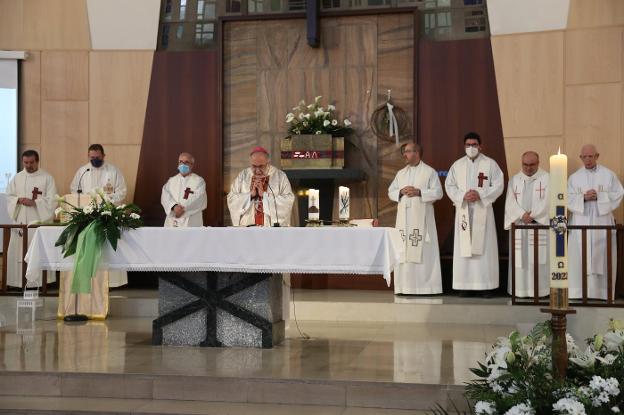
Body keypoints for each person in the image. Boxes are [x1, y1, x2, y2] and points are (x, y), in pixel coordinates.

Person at [60, 144, 128, 318]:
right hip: (88, 217)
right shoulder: (83, 171)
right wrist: (88, 200)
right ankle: (89, 280)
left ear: (104, 155)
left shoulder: (113, 171)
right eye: (92, 157)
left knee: (106, 250)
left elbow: (122, 191)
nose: (95, 160)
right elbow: (74, 190)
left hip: (107, 215)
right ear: (88, 156)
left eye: (98, 157)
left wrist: (107, 199)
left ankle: (110, 283)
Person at [444, 132, 504, 297]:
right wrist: (463, 195)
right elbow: (449, 185)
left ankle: (485, 286)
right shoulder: (457, 165)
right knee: (464, 247)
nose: (471, 148)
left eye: (474, 144)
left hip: (482, 210)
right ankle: (465, 285)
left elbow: (498, 185)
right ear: (464, 146)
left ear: (480, 146)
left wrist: (480, 194)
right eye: (468, 145)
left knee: (483, 248)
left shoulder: (490, 164)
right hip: (463, 210)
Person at [568, 144, 623, 300]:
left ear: (597, 156)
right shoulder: (574, 177)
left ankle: (602, 293)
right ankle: (578, 292)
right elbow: (566, 197)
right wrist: (583, 198)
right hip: (581, 219)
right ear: (581, 158)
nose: (588, 160)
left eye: (591, 156)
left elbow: (618, 194)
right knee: (579, 253)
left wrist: (600, 197)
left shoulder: (608, 175)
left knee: (602, 252)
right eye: (584, 157)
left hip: (602, 218)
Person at [388, 142, 443, 295]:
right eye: (405, 152)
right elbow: (391, 191)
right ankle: (404, 287)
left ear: (417, 153)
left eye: (407, 151)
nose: (404, 154)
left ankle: (427, 287)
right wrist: (400, 192)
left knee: (423, 251)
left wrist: (420, 192)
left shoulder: (429, 172)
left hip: (422, 220)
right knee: (404, 250)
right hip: (404, 221)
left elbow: (438, 193)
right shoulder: (401, 173)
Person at [5, 150, 57, 288]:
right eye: (26, 162)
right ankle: (17, 283)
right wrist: (18, 199)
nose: (28, 165)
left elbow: (53, 201)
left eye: (31, 163)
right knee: (18, 252)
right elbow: (9, 196)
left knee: (37, 252)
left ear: (37, 161)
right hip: (20, 221)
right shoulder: (18, 177)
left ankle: (40, 284)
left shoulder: (47, 178)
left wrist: (35, 203)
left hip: (38, 223)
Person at [503, 151, 549, 297]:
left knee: (538, 259)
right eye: (525, 165)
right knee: (520, 259)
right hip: (520, 227)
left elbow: (549, 202)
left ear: (538, 163)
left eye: (532, 164)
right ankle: (520, 290)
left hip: (539, 226)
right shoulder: (514, 180)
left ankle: (540, 291)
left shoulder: (548, 179)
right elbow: (510, 202)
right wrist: (522, 215)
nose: (528, 168)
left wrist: (533, 215)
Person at [227, 146, 294, 227]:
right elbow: (231, 199)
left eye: (261, 166)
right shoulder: (243, 176)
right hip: (246, 229)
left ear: (268, 162)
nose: (257, 170)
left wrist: (265, 196)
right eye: (254, 166)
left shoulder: (280, 176)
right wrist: (250, 196)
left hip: (271, 229)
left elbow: (288, 200)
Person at [161, 152, 207, 227]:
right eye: (181, 161)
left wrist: (182, 209)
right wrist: (174, 206)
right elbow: (165, 196)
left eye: (186, 162)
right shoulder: (171, 181)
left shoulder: (198, 181)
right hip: (173, 218)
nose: (183, 164)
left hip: (191, 219)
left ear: (192, 165)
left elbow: (199, 198)